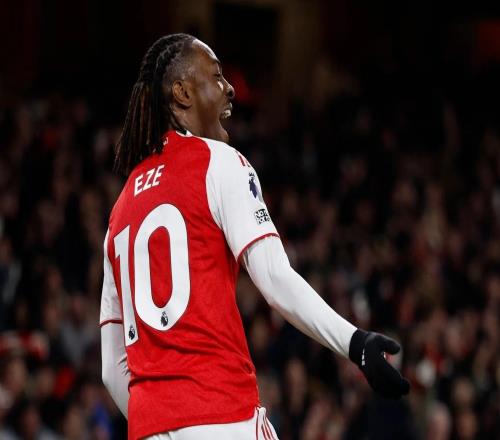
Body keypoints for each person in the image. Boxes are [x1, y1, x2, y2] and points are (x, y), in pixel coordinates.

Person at [100, 33, 410, 440]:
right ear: (182, 93)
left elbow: (111, 368)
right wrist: (356, 343)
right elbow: (274, 278)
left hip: (149, 426)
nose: (230, 88)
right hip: (223, 412)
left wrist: (163, 421)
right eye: (216, 76)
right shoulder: (219, 163)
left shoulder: (119, 211)